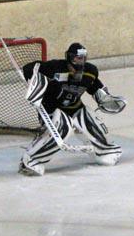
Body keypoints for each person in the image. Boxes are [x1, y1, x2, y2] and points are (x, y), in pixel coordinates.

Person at [19, 42, 126, 176]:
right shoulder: (55, 67)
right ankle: (31, 160)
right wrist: (36, 84)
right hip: (53, 110)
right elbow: (29, 69)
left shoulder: (90, 71)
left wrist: (105, 98)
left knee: (95, 127)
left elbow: (95, 87)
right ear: (69, 57)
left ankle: (104, 151)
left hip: (76, 108)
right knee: (62, 129)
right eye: (77, 58)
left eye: (83, 58)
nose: (80, 62)